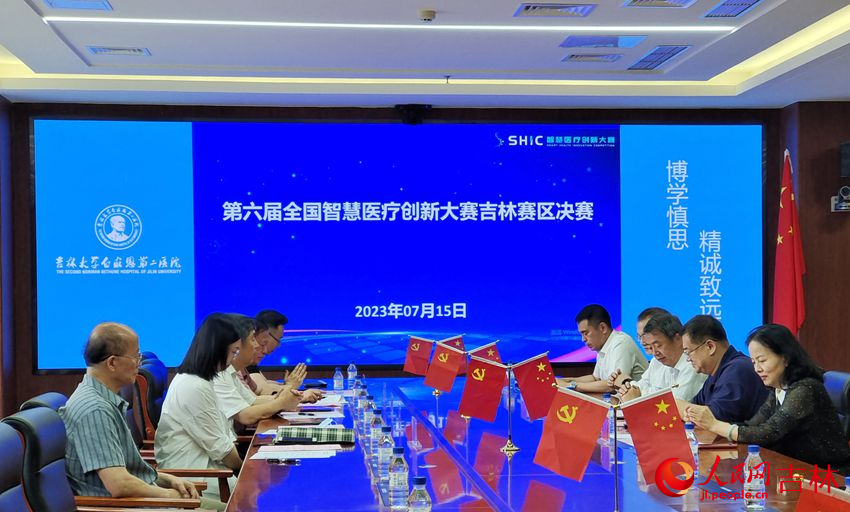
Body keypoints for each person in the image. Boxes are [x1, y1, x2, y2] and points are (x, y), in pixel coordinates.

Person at [58, 323, 202, 503]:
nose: (139, 364)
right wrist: (169, 496)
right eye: (136, 356)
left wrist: (169, 480)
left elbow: (130, 471)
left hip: (141, 501)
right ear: (112, 363)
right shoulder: (95, 410)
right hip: (124, 506)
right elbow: (119, 484)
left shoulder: (103, 399)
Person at [686, 324, 850, 472]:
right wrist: (720, 429)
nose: (757, 369)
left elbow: (769, 433)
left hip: (829, 477)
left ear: (785, 358)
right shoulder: (778, 389)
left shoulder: (805, 389)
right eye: (753, 362)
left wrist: (715, 425)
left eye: (762, 361)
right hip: (797, 471)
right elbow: (754, 426)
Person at [155, 314, 243, 503]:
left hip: (206, 472)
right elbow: (224, 451)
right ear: (218, 349)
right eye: (234, 352)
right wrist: (245, 467)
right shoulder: (194, 386)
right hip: (195, 480)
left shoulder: (200, 380)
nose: (233, 359)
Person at [212, 314, 319, 433]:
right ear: (237, 344)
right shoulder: (219, 374)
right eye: (253, 340)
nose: (258, 346)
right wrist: (286, 396)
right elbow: (246, 415)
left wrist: (292, 397)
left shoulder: (230, 372)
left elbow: (254, 401)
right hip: (236, 439)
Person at [678, 315, 769, 422]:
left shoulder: (737, 369)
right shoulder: (715, 373)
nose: (688, 359)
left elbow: (711, 420)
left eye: (688, 352)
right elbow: (695, 406)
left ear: (710, 346)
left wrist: (672, 404)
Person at [612, 312, 706, 402]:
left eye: (658, 345)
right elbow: (639, 387)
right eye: (651, 347)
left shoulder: (692, 365)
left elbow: (675, 404)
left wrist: (635, 398)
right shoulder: (656, 361)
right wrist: (628, 389)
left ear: (677, 339)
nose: (655, 352)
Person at [559, 304, 647, 393]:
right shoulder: (603, 346)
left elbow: (614, 385)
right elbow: (596, 378)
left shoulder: (621, 343)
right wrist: (566, 381)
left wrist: (571, 385)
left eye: (586, 333)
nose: (583, 339)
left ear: (602, 328)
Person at [246, 309, 308, 395]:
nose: (278, 345)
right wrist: (290, 387)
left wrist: (286, 386)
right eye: (278, 339)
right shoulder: (246, 360)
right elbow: (262, 390)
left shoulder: (251, 362)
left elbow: (263, 384)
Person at [607, 306, 668, 391]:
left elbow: (661, 395)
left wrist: (632, 391)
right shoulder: (655, 361)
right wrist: (623, 381)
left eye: (645, 335)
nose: (642, 342)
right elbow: (641, 386)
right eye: (639, 336)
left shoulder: (676, 362)